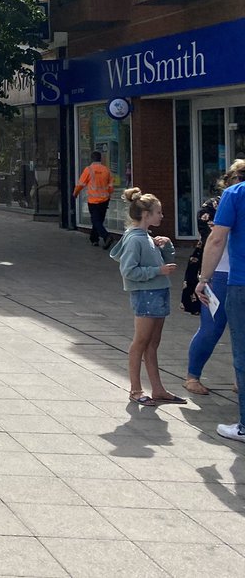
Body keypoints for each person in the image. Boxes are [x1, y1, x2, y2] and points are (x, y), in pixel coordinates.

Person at [110, 187, 183, 407]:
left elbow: (162, 262)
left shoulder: (147, 237)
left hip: (158, 292)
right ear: (145, 214)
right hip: (146, 294)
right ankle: (135, 389)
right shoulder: (136, 239)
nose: (161, 216)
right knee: (141, 342)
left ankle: (158, 389)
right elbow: (129, 271)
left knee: (152, 343)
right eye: (158, 212)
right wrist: (157, 272)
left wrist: (167, 245)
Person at [197, 158, 245, 442]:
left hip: (241, 282)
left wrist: (204, 279)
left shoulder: (234, 194)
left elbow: (217, 240)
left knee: (243, 353)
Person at [184, 167, 241, 395]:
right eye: (238, 178)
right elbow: (214, 239)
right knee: (211, 328)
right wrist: (204, 278)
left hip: (237, 273)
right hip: (219, 273)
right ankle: (192, 376)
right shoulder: (215, 205)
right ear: (227, 181)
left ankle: (240, 380)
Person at [74, 151, 114, 249]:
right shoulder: (106, 170)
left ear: (91, 159)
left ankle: (106, 236)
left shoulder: (88, 170)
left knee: (96, 220)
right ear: (100, 159)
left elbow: (80, 184)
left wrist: (75, 194)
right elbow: (111, 186)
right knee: (99, 221)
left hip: (93, 201)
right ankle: (94, 239)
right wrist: (108, 195)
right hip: (104, 200)